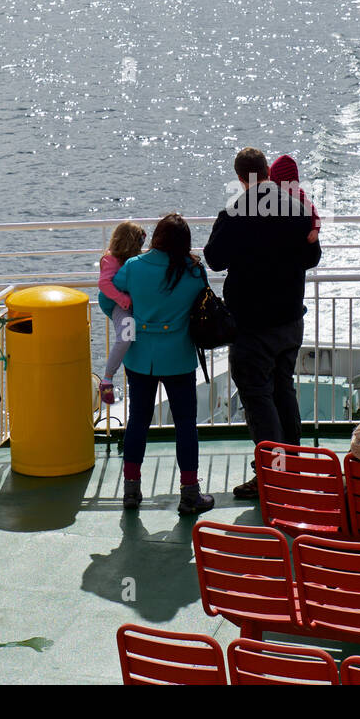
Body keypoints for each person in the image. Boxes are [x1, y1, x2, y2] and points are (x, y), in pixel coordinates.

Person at [204, 148, 322, 499]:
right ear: (267, 171)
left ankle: (273, 475)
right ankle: (295, 464)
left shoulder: (234, 213)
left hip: (252, 324)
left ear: (241, 177)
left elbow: (214, 259)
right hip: (289, 318)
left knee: (257, 397)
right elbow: (312, 257)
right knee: (283, 389)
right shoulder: (297, 210)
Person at [111, 213, 214, 515]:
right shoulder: (194, 271)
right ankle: (190, 493)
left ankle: (131, 490)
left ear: (156, 237)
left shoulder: (133, 267)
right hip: (179, 356)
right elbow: (203, 304)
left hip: (140, 355)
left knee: (138, 422)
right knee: (185, 424)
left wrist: (127, 319)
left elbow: (108, 298)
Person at [97, 221, 146, 405]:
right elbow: (104, 283)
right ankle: (108, 378)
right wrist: (122, 300)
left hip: (135, 303)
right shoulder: (111, 259)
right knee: (126, 336)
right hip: (122, 305)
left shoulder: (132, 259)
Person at [269, 153, 321, 244]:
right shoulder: (298, 194)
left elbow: (314, 213)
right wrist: (315, 229)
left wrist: (315, 229)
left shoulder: (296, 196)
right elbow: (315, 215)